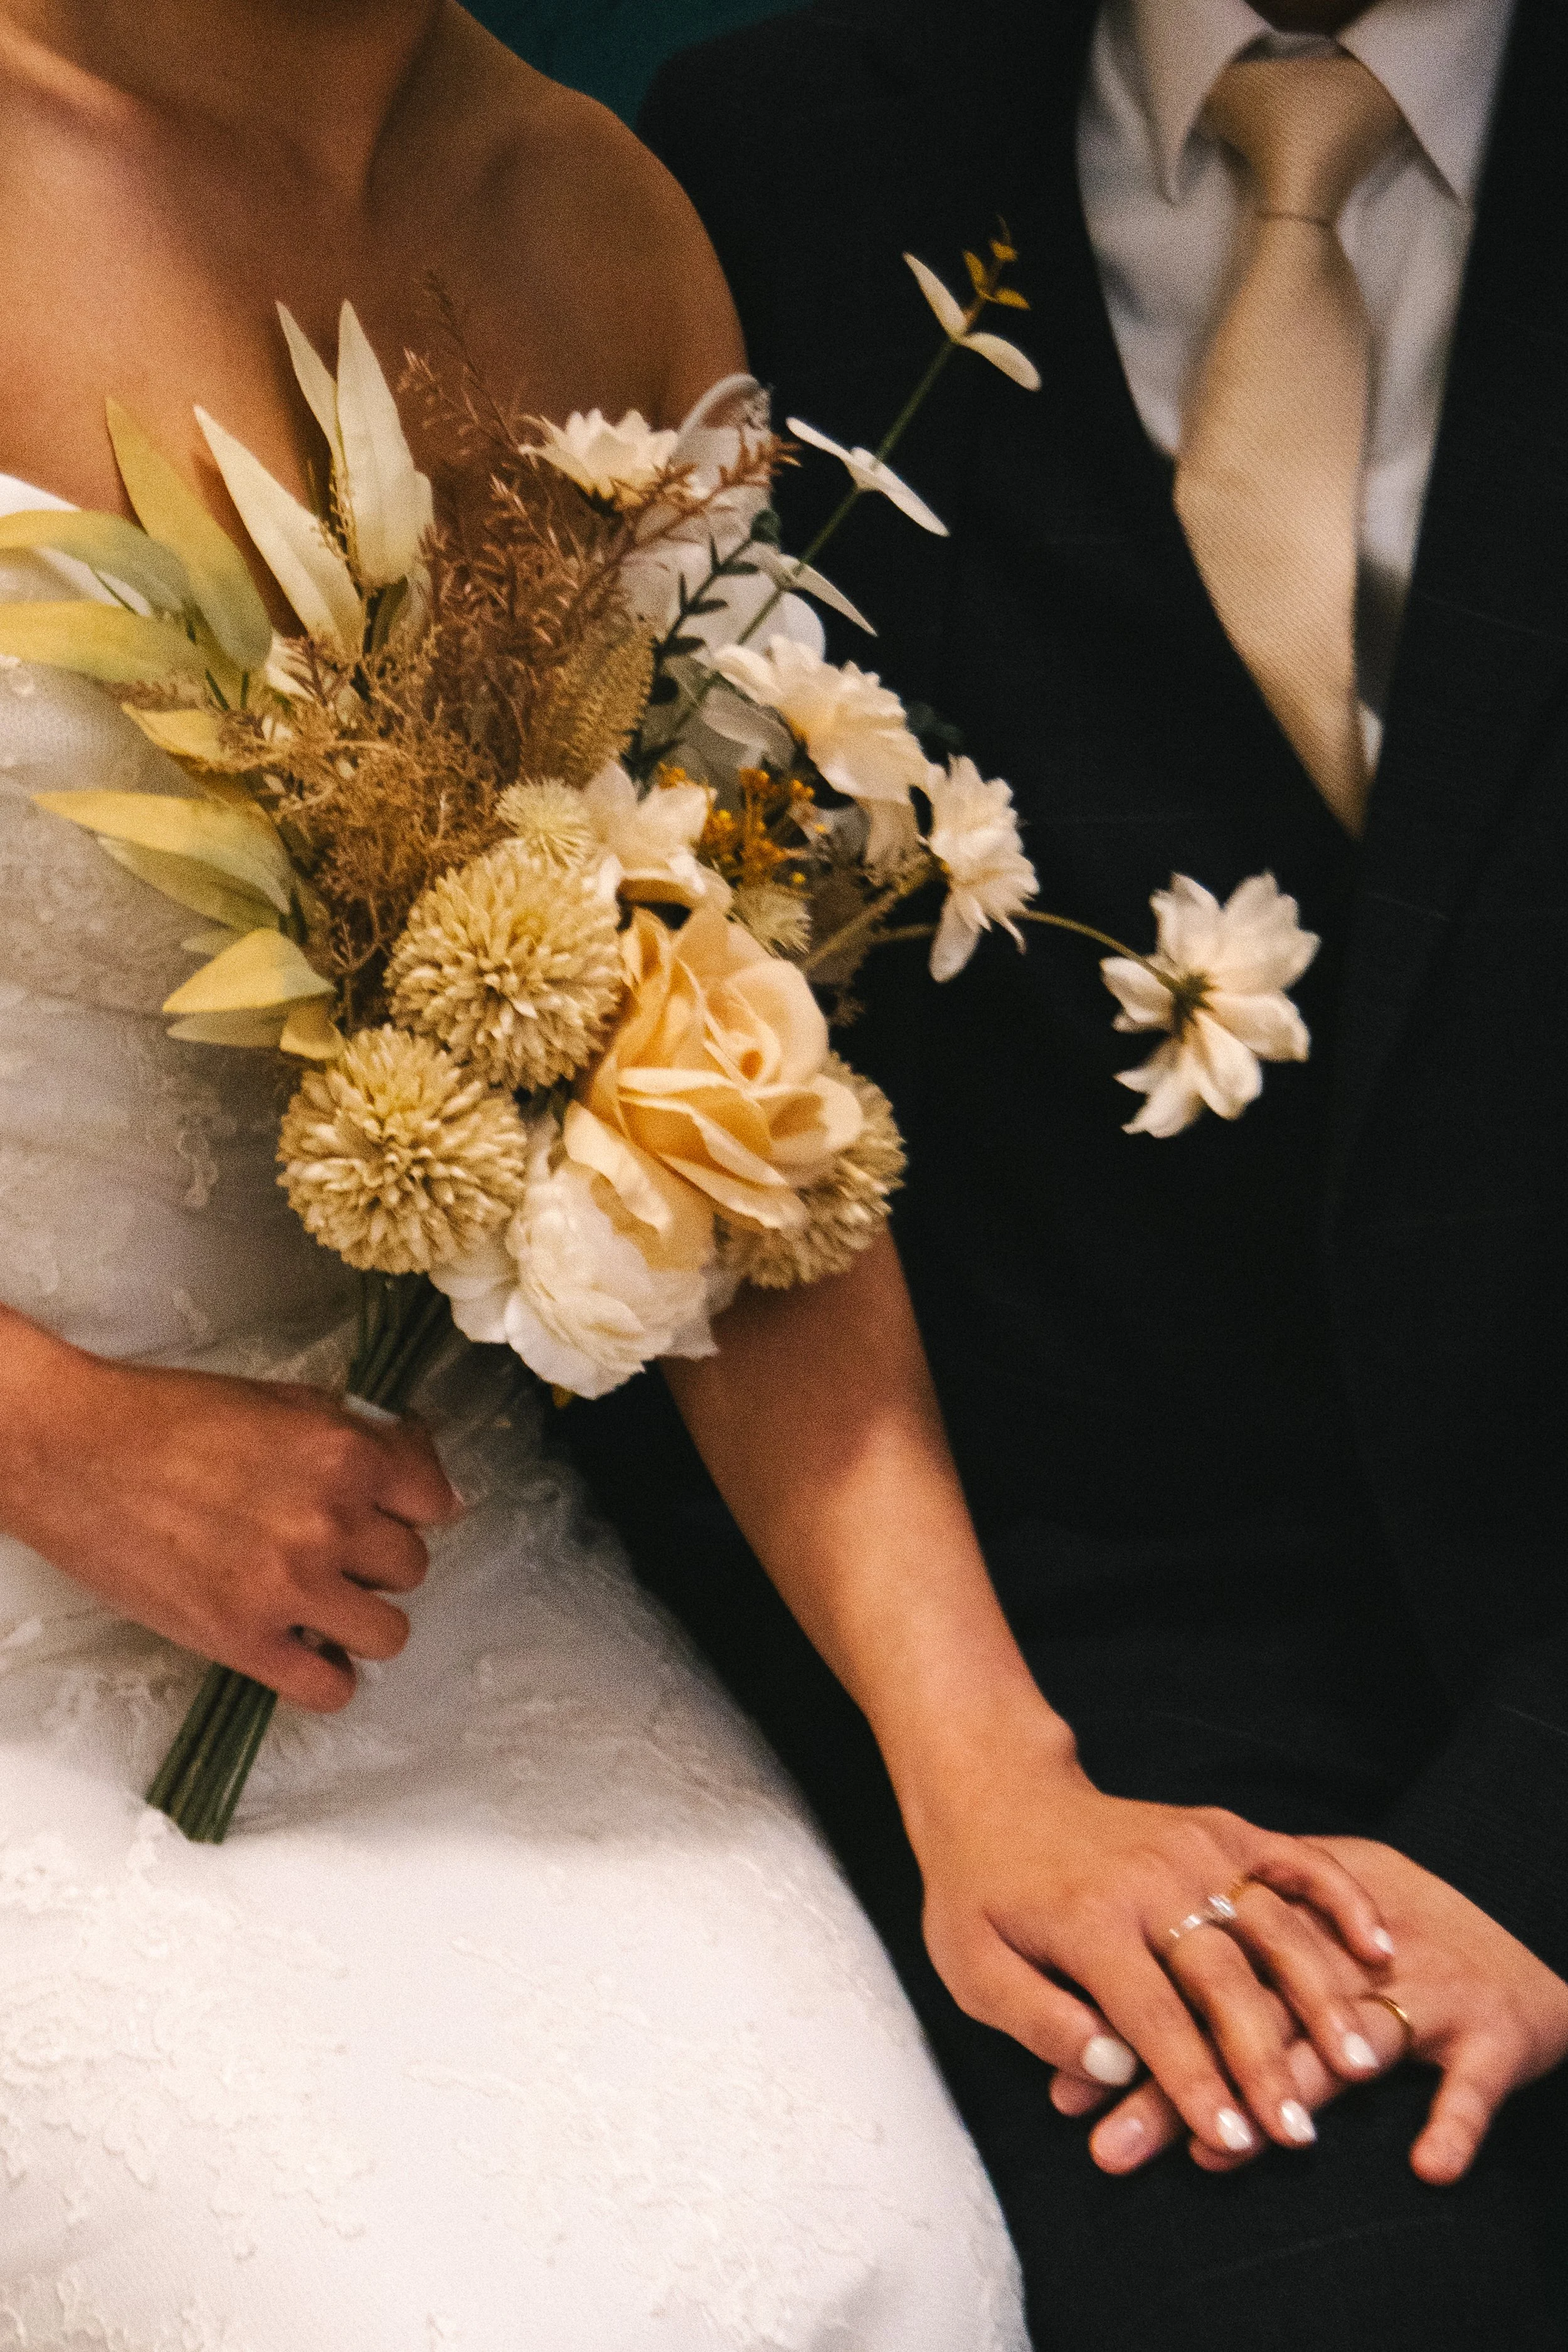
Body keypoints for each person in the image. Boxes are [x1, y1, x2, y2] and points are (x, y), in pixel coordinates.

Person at [0, 4, 1030, 2339]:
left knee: (873, 2273)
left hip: (437, 1590)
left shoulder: (588, 219)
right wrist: (49, 1432)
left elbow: (714, 1080)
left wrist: (988, 1770)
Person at [566, 0, 1568, 2343]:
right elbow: (713, 1030)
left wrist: (1528, 1841)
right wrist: (1007, 1779)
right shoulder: (767, 163)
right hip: (1151, 1723)